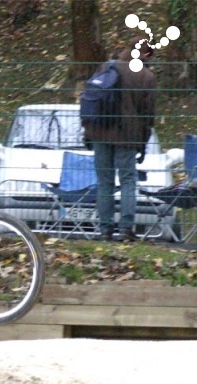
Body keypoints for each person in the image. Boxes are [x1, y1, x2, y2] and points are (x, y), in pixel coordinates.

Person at [84, 37, 156, 242]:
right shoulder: (146, 76)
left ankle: (105, 229)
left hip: (100, 132)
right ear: (146, 54)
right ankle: (126, 229)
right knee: (127, 181)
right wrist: (143, 139)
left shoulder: (106, 67)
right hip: (127, 136)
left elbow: (92, 98)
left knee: (104, 181)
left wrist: (89, 132)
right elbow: (148, 115)